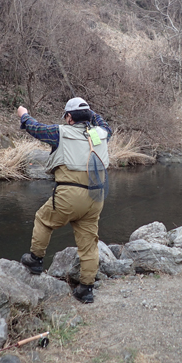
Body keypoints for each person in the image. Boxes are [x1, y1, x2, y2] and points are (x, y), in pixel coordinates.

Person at [17, 97, 112, 304]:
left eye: (66, 116)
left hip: (69, 195)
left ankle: (35, 260)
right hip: (96, 197)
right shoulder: (101, 133)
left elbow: (35, 128)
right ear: (88, 117)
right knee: (88, 244)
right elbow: (103, 123)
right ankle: (86, 289)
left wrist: (23, 114)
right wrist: (90, 113)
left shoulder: (60, 132)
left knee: (43, 219)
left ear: (69, 117)